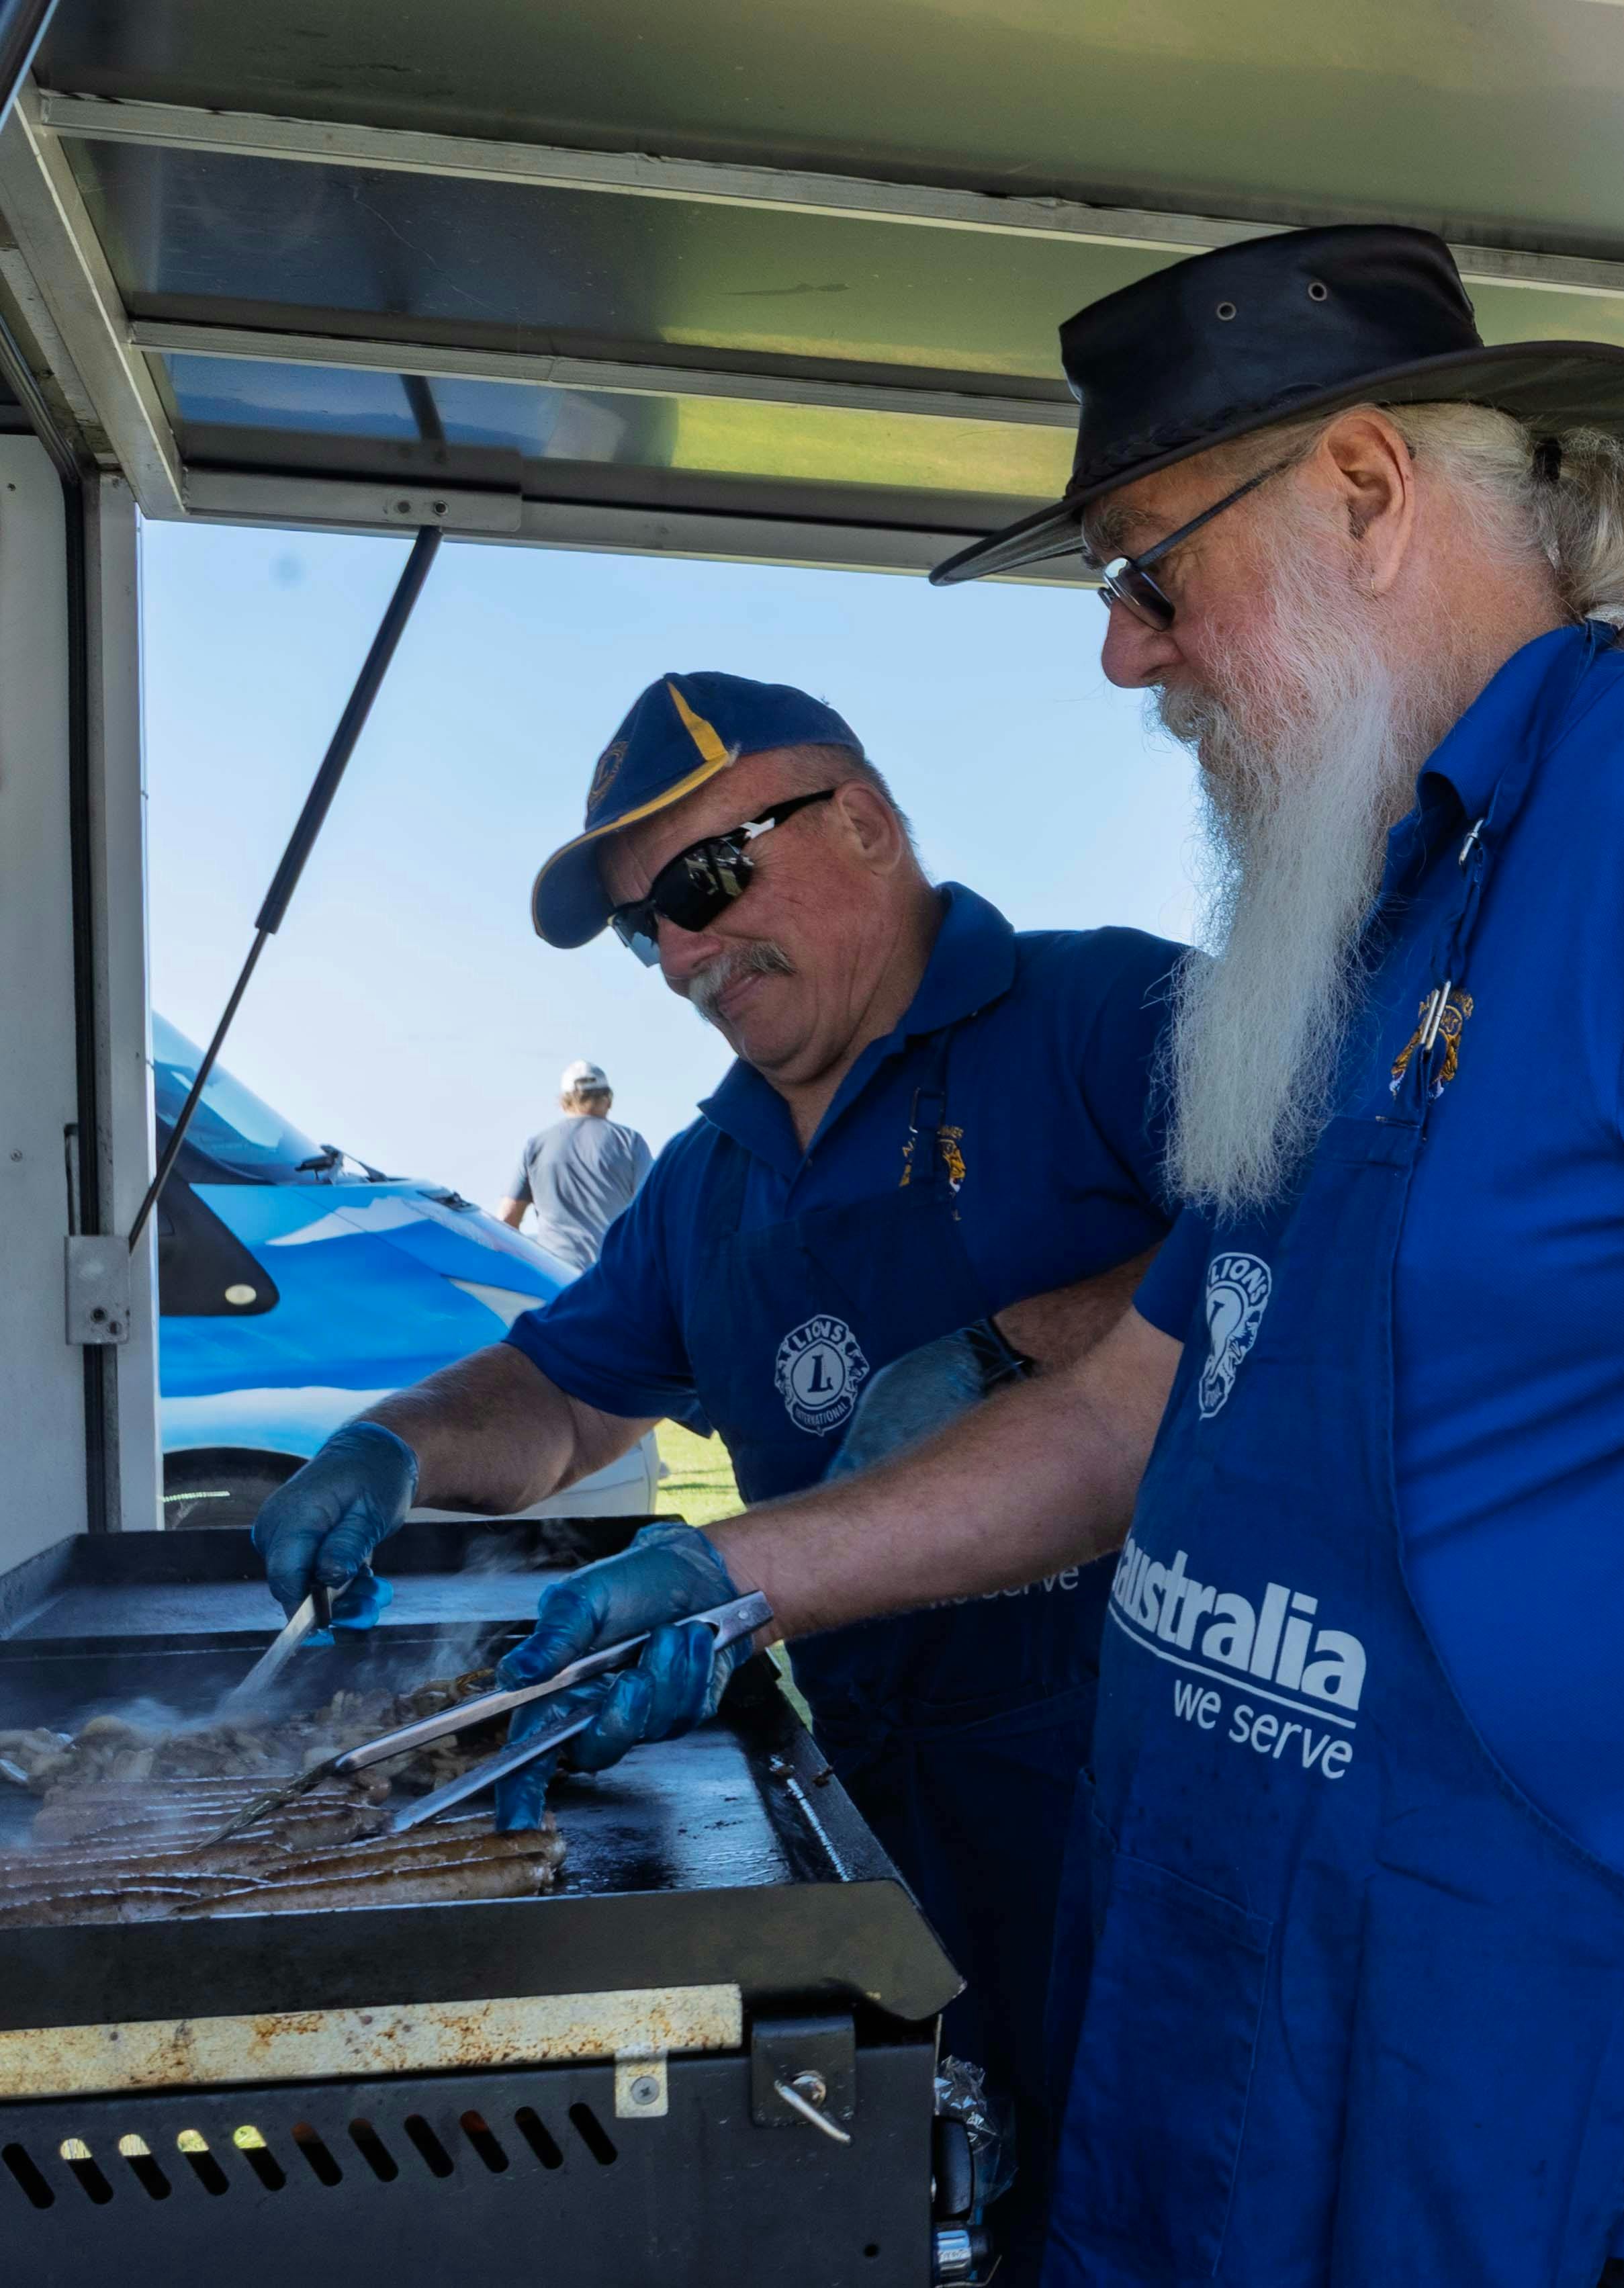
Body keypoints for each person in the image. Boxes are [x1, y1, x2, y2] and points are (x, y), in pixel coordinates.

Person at [485, 230, 1624, 2288]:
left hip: (1534, 2094)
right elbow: (1137, 1409)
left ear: (1364, 489)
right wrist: (731, 1576)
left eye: (1150, 572)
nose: (1123, 656)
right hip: (1228, 2031)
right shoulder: (1354, 908)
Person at [247, 671, 1183, 2282]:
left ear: (865, 821)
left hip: (1151, 1812)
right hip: (867, 1819)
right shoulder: (705, 1173)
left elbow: (1339, 1239)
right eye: (643, 929)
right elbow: (560, 1391)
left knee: (1161, 2220)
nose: (679, 955)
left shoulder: (1112, 1021)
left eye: (701, 881)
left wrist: (1030, 1341)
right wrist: (395, 1441)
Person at [496, 1058, 653, 1270]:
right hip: (615, 1278)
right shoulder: (630, 1142)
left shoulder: (536, 1146)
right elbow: (656, 1211)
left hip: (556, 1278)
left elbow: (507, 1220)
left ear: (564, 1102)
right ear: (608, 1099)